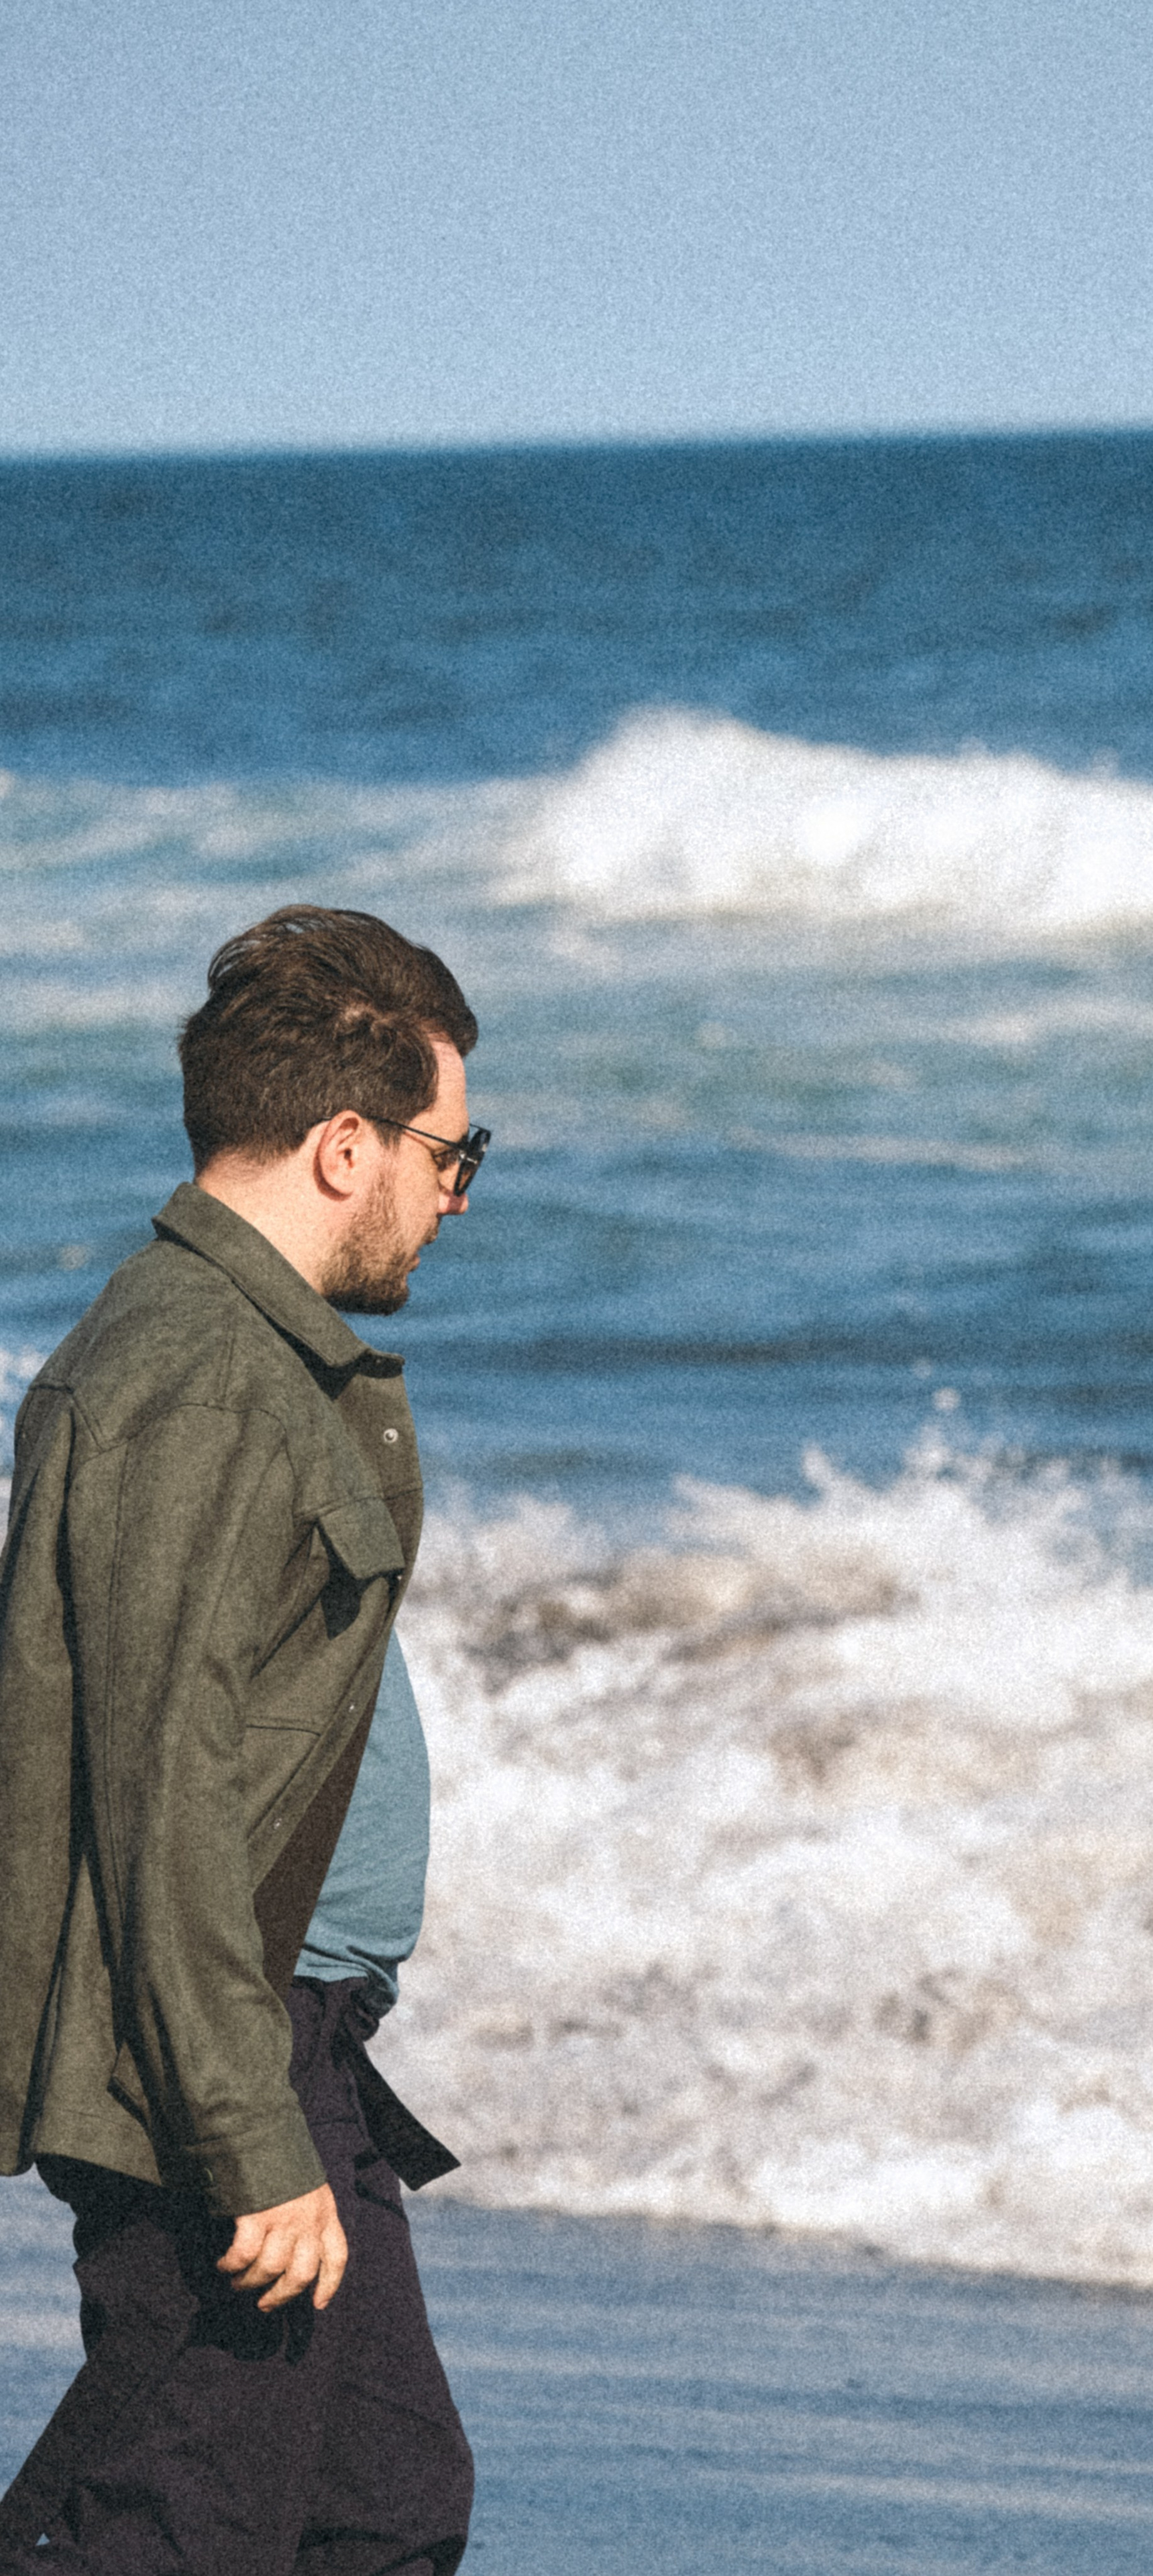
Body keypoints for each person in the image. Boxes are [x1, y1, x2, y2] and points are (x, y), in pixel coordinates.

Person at [0, 906, 489, 2573]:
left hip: (286, 2035)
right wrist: (246, 2137)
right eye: (451, 1153)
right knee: (180, 2521)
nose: (455, 1196)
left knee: (378, 2506)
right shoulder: (201, 1375)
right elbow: (160, 1795)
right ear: (347, 1147)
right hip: (216, 2050)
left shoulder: (250, 1359)